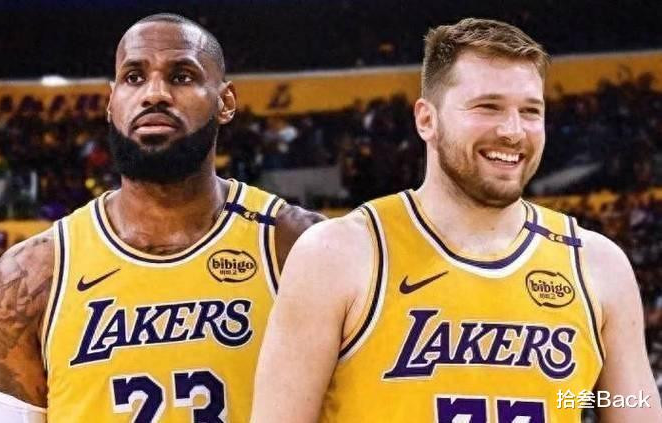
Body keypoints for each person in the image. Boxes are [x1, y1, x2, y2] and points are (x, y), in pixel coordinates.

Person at [252, 18, 662, 422]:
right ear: (426, 120)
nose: (513, 131)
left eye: (530, 111)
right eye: (488, 107)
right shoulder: (336, 255)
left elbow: (634, 407)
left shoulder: (599, 265)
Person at [0, 13, 322, 423]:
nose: (155, 94)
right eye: (134, 77)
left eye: (181, 76)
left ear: (226, 102)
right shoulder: (33, 274)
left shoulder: (299, 248)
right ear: (111, 103)